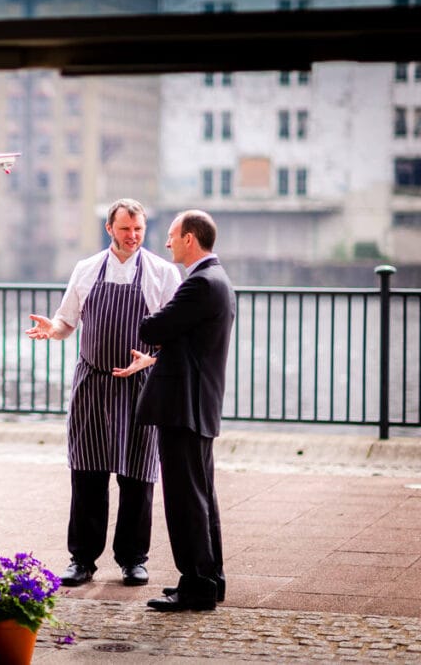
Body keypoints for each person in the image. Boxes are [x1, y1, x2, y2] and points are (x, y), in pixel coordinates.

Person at [26, 198, 182, 588]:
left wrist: (150, 359)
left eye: (139, 230)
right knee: (88, 474)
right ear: (109, 229)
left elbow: (175, 336)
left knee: (137, 478)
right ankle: (82, 560)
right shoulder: (86, 269)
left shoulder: (163, 273)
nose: (132, 236)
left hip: (141, 387)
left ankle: (133, 560)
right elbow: (67, 322)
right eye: (125, 229)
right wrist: (53, 329)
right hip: (93, 383)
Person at [113, 209, 236, 612]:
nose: (166, 243)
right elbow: (185, 339)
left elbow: (152, 328)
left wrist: (158, 330)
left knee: (185, 500)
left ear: (190, 239)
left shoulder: (199, 284)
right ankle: (209, 579)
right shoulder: (218, 281)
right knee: (201, 497)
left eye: (171, 235)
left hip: (184, 406)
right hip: (198, 404)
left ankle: (196, 585)